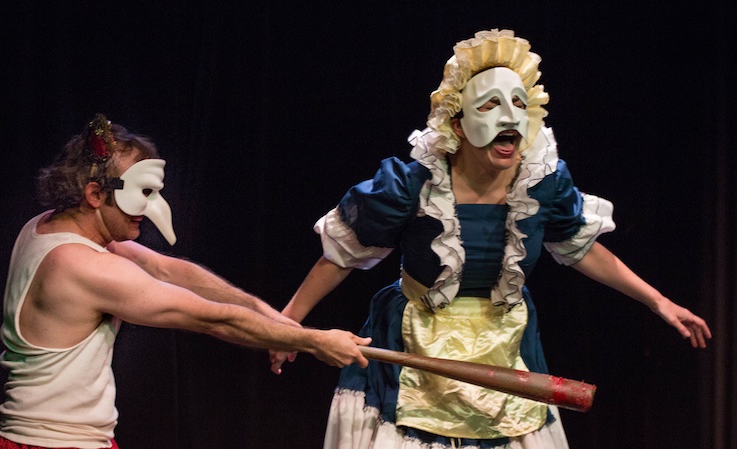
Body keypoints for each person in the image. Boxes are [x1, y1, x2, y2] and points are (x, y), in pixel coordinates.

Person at [269, 29, 712, 449]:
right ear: (457, 125)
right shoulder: (413, 185)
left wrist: (659, 301)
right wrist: (288, 325)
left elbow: (581, 249)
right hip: (417, 339)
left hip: (506, 344)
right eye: (489, 106)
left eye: (518, 104)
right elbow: (344, 255)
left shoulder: (541, 185)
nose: (508, 118)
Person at [0, 114, 371, 449]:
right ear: (94, 194)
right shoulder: (85, 267)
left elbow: (169, 270)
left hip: (43, 439)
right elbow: (211, 317)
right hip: (56, 444)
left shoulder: (46, 228)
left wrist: (273, 317)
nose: (151, 210)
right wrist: (314, 341)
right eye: (144, 193)